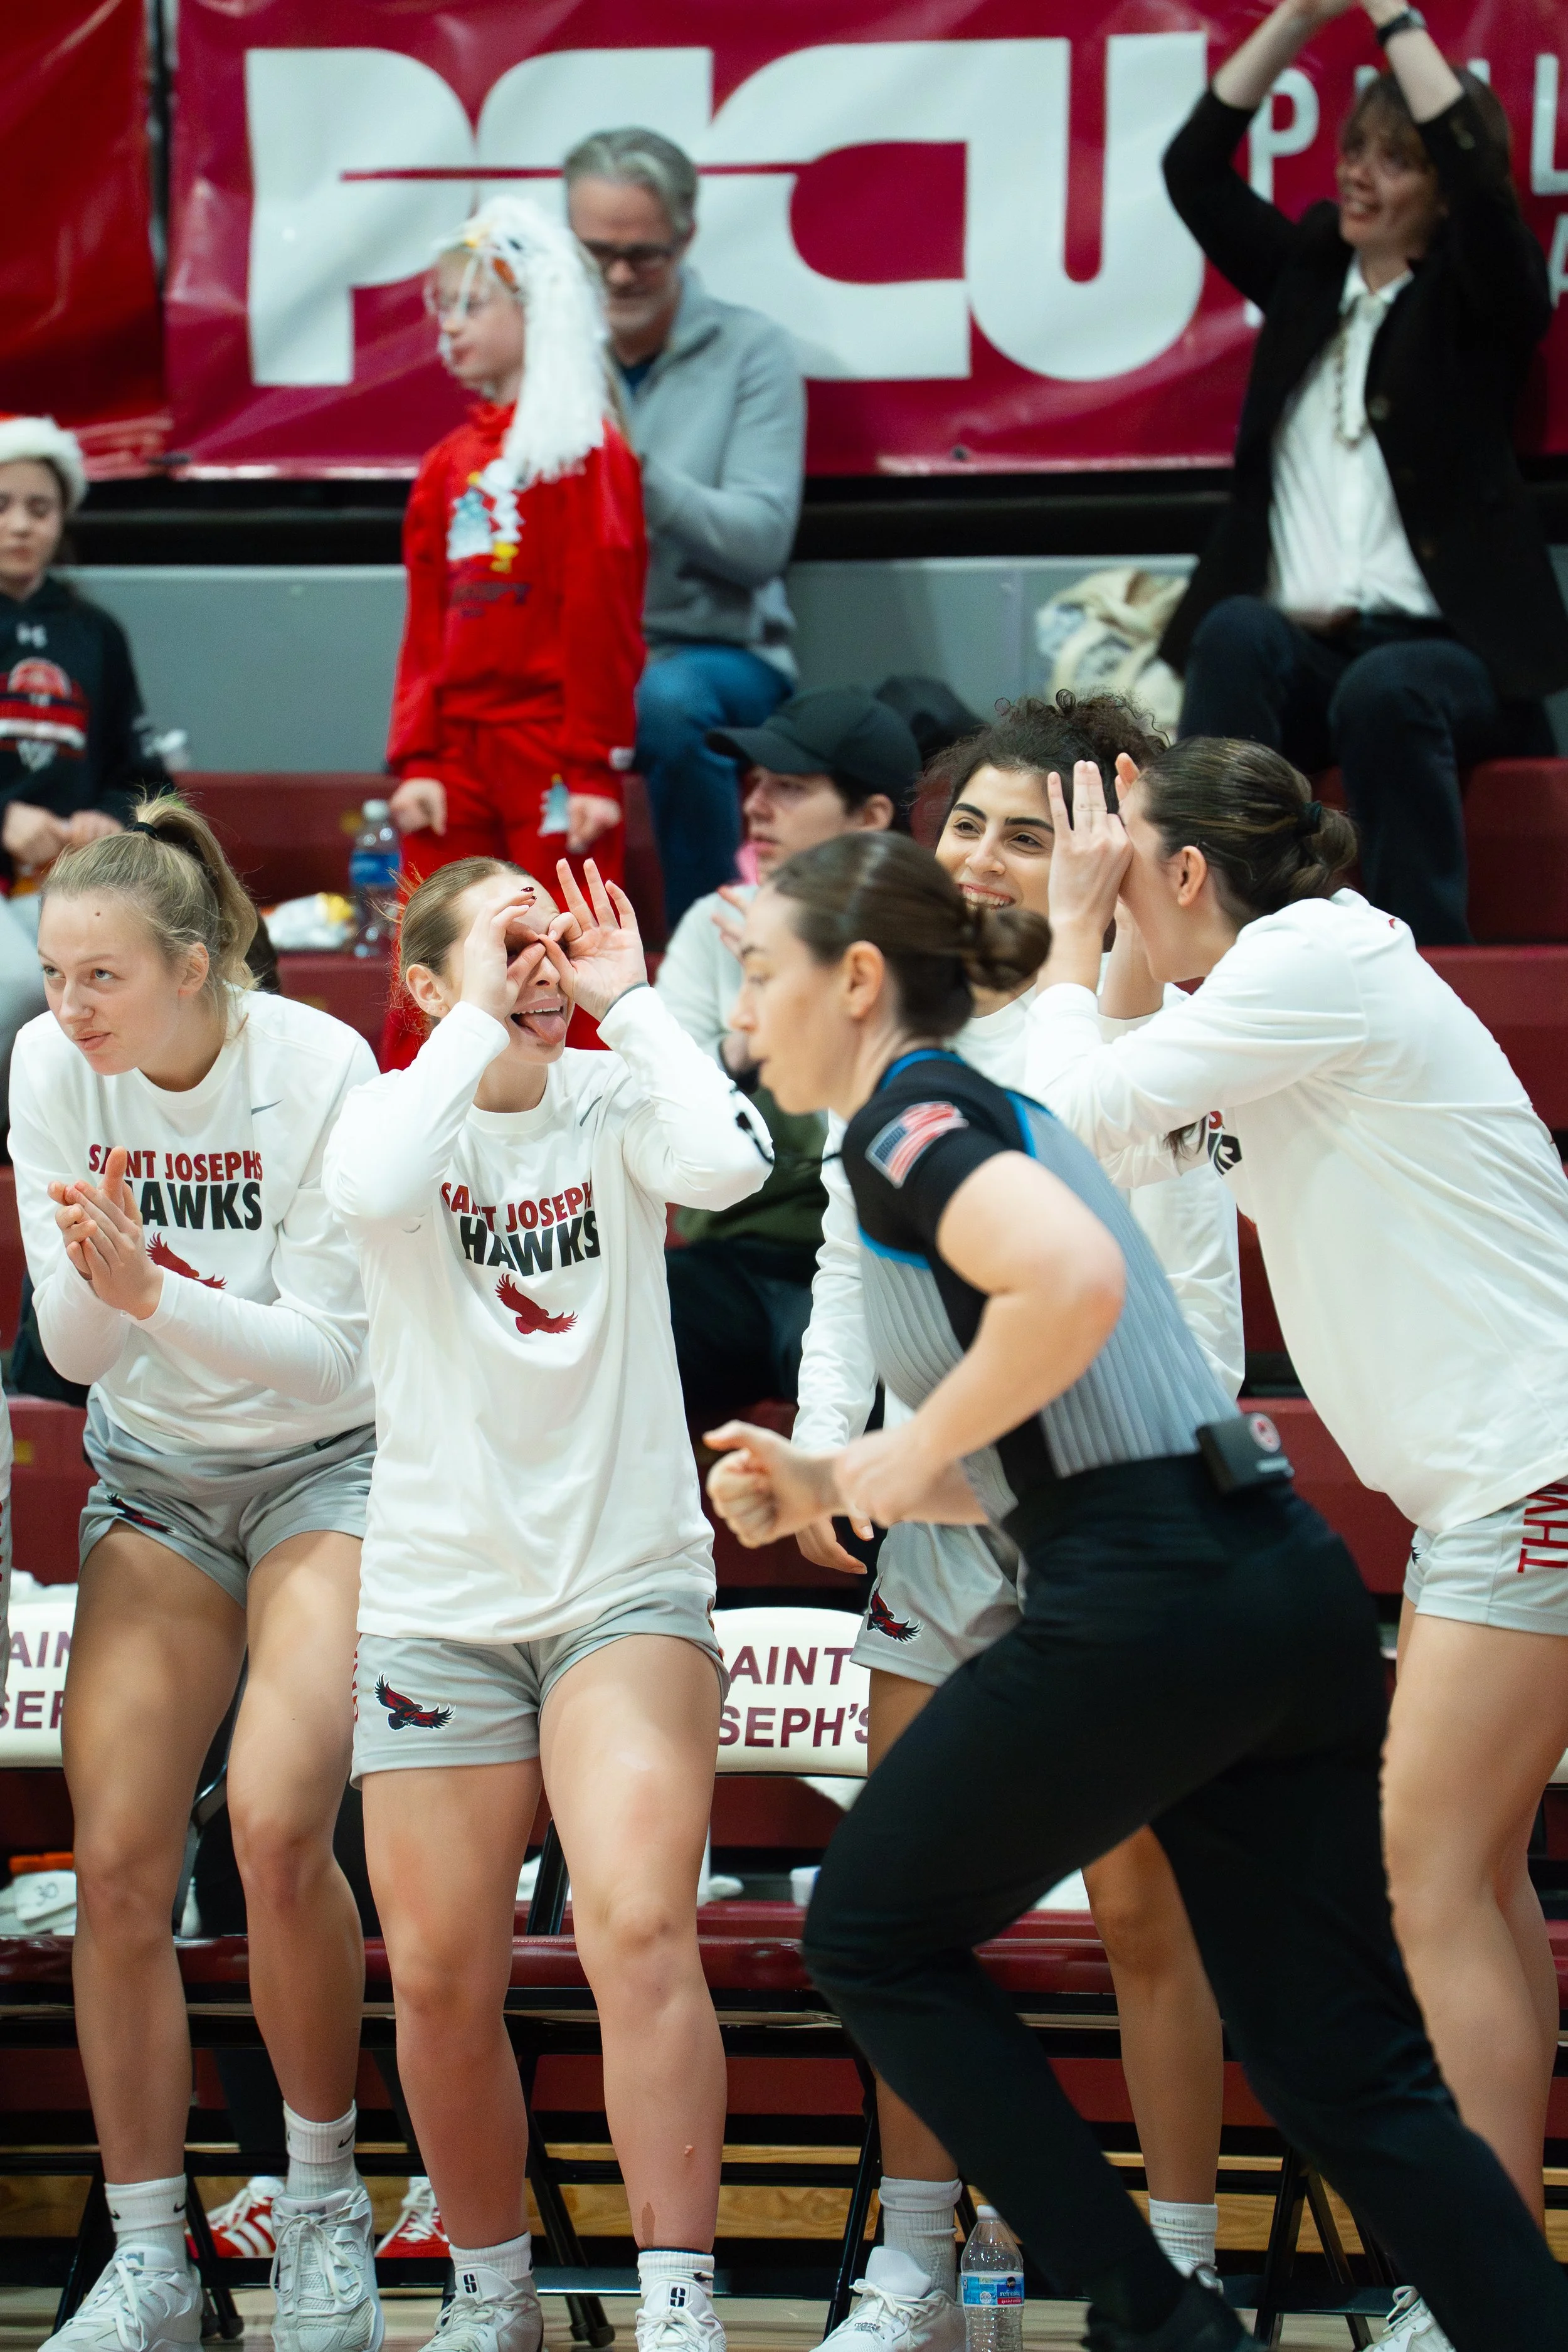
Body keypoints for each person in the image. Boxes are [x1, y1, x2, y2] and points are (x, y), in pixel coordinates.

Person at [703, 829, 1568, 2352]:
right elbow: (1061, 1421)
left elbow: (1071, 1290)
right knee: (1341, 2069)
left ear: (856, 978)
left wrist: (896, 1452)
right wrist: (830, 1484)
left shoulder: (911, 1127)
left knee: (870, 1935)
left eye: (759, 971)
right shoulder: (1011, 1112)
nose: (739, 1010)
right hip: (1271, 1586)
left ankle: (1151, 2312)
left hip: (1156, 1592)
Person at [1024, 740, 1568, 2352]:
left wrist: (1069, 930)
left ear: (1187, 873)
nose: (1117, 891)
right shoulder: (1284, 986)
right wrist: (1121, 933)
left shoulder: (1308, 961)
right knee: (1467, 1878)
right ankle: (1501, 2278)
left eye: (1139, 871)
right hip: (1504, 1477)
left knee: (1428, 1876)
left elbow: (1057, 1107)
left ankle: (1477, 2289)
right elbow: (1115, 1123)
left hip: (1532, 1468)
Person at [788, 701, 1242, 2352]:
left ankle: (1177, 2259)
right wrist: (836, 1435)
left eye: (1022, 831)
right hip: (938, 1518)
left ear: (1098, 859)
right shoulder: (900, 1026)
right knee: (897, 1910)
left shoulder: (1137, 1053)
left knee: (1143, 1913)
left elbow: (1194, 1317)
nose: (978, 854)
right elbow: (852, 1262)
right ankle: (913, 2262)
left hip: (1109, 1530)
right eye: (965, 821)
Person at [322, 855, 771, 2352]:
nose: (543, 961)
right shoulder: (391, 1119)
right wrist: (479, 1010)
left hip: (623, 1584)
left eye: (556, 934)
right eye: (510, 941)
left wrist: (628, 999)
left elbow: (732, 1165)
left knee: (639, 1926)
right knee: (441, 1974)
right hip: (439, 1603)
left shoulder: (614, 1101)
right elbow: (376, 1185)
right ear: (427, 987)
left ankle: (680, 2307)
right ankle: (493, 2293)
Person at [9, 800, 383, 2352]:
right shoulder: (50, 1073)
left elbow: (327, 1357)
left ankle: (319, 2204)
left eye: (100, 978)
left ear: (194, 965)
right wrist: (112, 1288)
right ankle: (154, 2256)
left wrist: (151, 1282)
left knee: (284, 1824)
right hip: (155, 1480)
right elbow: (75, 1350)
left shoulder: (319, 1070)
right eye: (50, 974)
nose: (66, 1009)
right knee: (113, 1862)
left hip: (330, 1466)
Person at [1158, 0, 1568, 946]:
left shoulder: (1479, 303)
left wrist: (1391, 14)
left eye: (1393, 160)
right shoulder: (1307, 274)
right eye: (1353, 152)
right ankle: (1210, 935)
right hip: (1305, 651)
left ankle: (1424, 963)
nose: (1357, 175)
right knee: (1233, 631)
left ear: (1442, 189)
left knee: (1387, 688)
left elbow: (1483, 181)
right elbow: (1192, 168)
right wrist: (1301, 16)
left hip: (1447, 656)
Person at [383, 198, 645, 1063]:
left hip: (551, 748)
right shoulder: (444, 462)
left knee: (568, 944)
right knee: (432, 942)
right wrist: (417, 755)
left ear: (538, 310)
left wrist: (593, 762)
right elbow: (424, 621)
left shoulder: (585, 449)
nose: (450, 328)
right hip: (456, 747)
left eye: (473, 305)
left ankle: (594, 1154)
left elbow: (601, 615)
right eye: (443, 308)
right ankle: (415, 1141)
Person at [657, 688, 920, 1429]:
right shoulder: (715, 926)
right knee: (608, 1345)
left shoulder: (922, 943)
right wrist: (764, 1018)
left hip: (879, 1262)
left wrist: (812, 988)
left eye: (790, 786)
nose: (755, 804)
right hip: (730, 1259)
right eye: (757, 781)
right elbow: (667, 1111)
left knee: (878, 1386)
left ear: (869, 819)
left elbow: (873, 1145)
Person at [564, 129, 806, 927]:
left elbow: (761, 540)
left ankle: (710, 942)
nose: (618, 275)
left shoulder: (753, 351)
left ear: (687, 237)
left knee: (667, 701)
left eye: (643, 253)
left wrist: (634, 474)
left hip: (717, 655)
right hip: (578, 652)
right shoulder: (544, 355)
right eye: (595, 252)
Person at [0, 416, 167, 1117]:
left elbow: (147, 778)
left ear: (62, 517)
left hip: (73, 880)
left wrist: (113, 818)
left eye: (39, 508)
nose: (19, 525)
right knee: (16, 987)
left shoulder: (95, 632)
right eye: (2, 505)